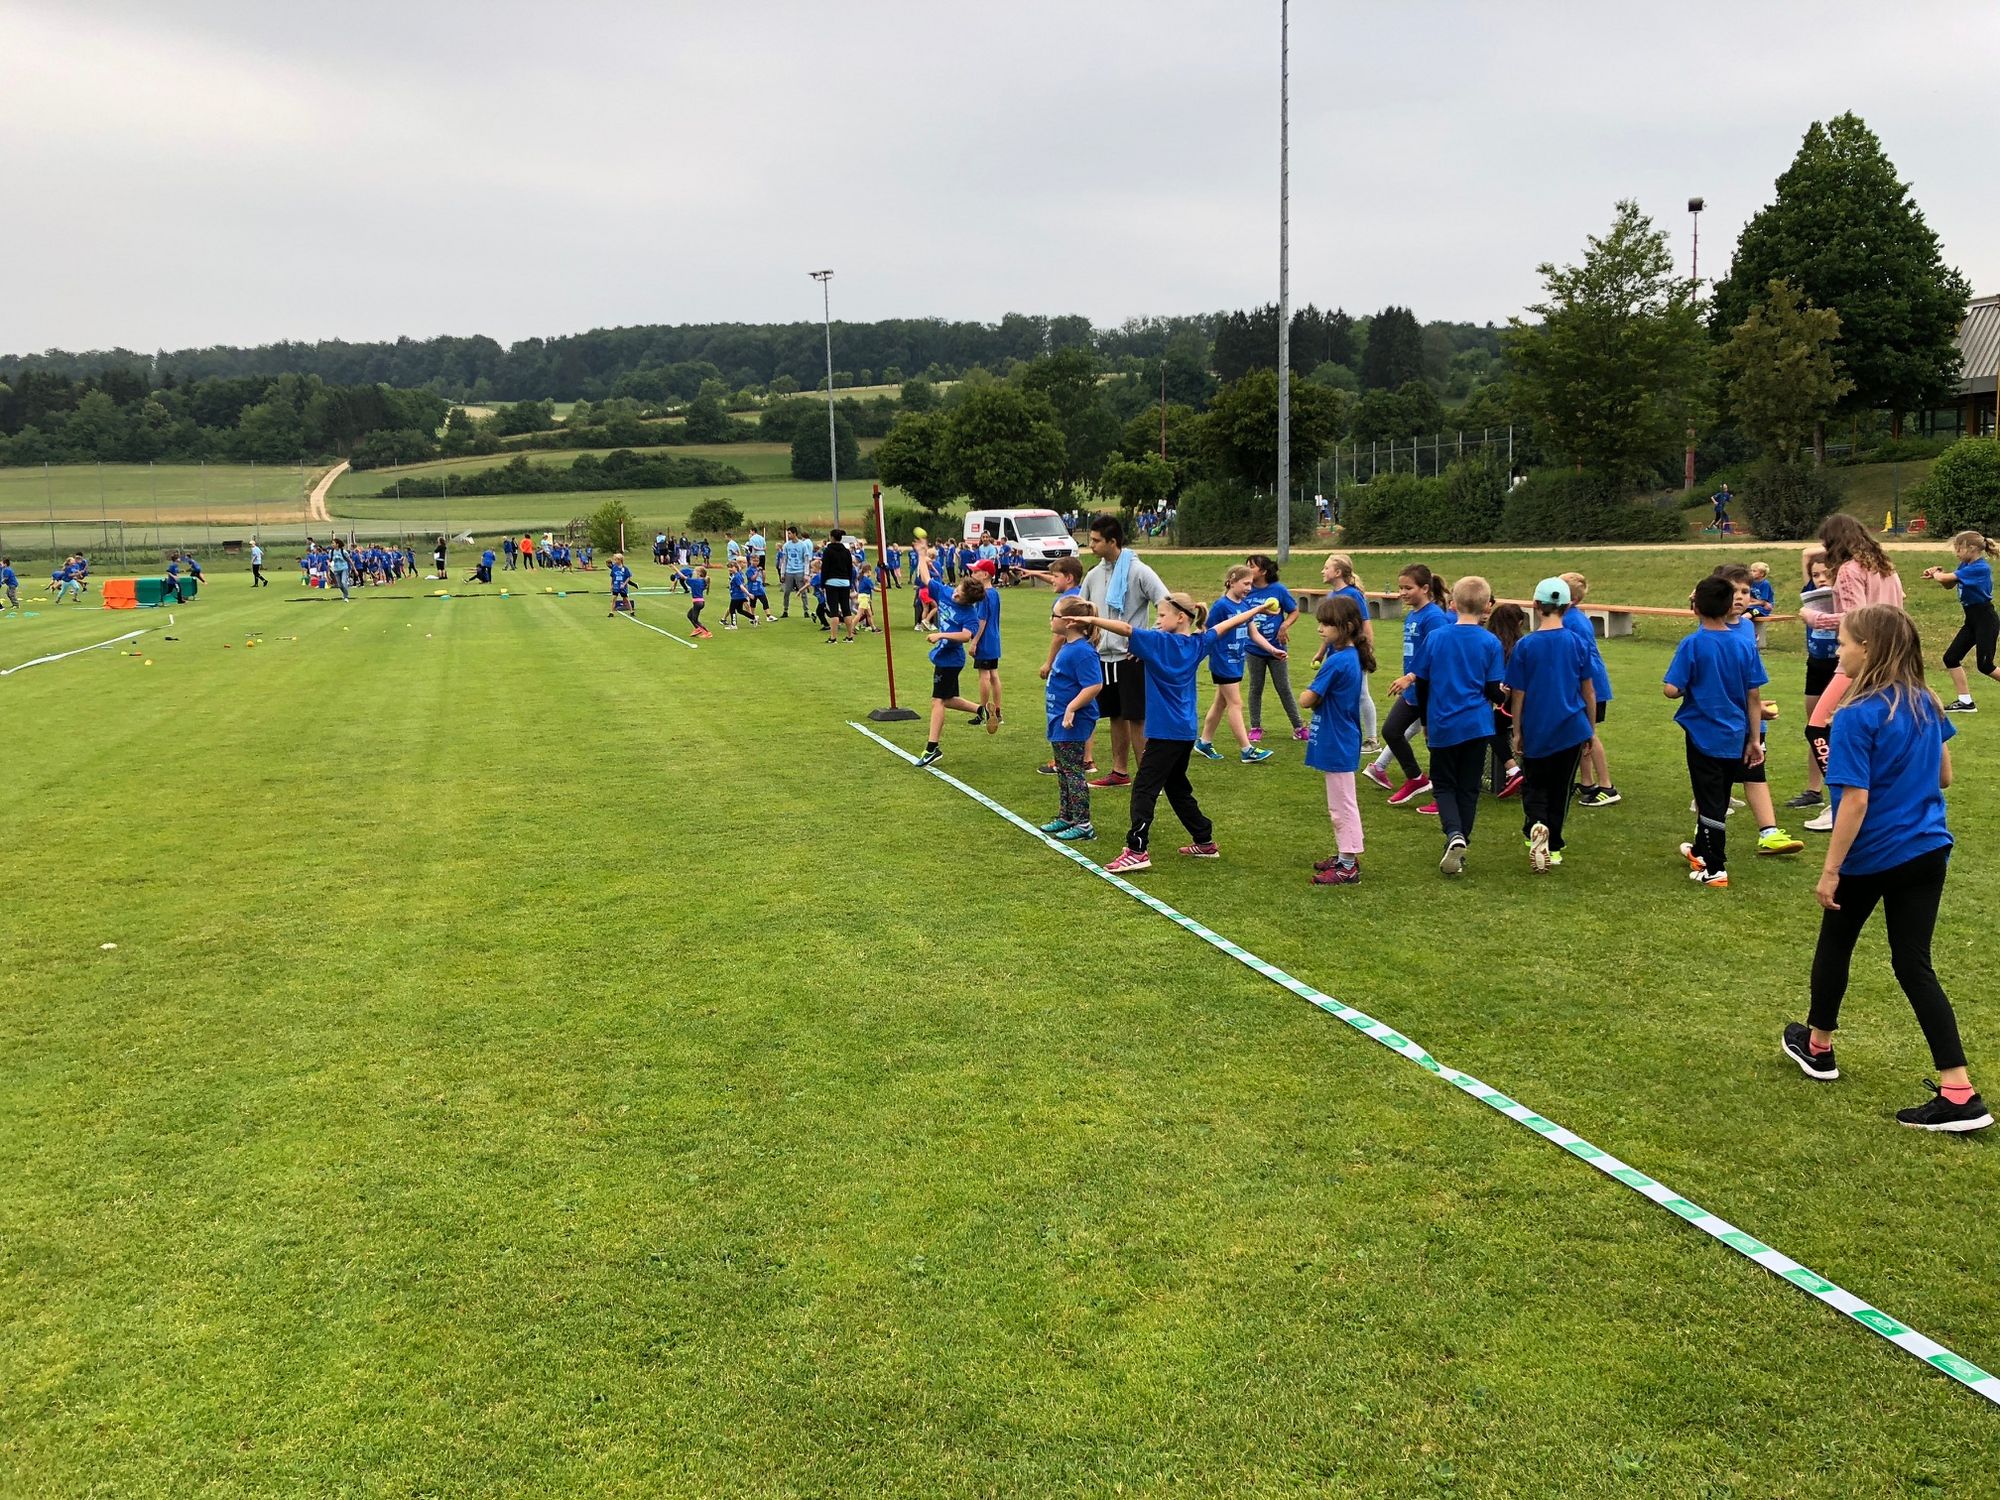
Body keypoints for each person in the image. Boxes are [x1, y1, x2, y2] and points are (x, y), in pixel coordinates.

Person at [1780, 604, 1990, 1133]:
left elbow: (1854, 801)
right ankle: (1959, 1090)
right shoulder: (1927, 701)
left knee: (1836, 943)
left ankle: (1820, 1047)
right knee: (1914, 964)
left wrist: (1831, 870)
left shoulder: (1855, 714)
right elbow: (1944, 776)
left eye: (1844, 643)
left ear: (1868, 648)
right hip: (1927, 850)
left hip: (1873, 854)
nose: (1839, 653)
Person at [1085, 591, 1269, 874]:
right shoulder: (1197, 643)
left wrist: (1090, 619)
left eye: (1161, 615)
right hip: (1185, 731)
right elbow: (1227, 624)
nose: (1157, 620)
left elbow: (1125, 629)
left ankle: (1136, 850)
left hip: (1165, 733)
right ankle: (1204, 840)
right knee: (1176, 786)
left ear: (1181, 617)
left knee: (1144, 787)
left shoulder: (1157, 642)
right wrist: (1256, 611)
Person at [1799, 514, 1906, 832]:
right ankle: (1874, 800)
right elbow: (1898, 609)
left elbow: (1856, 617)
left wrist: (1815, 618)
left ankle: (1841, 803)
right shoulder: (1885, 567)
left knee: (1818, 727)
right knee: (1872, 733)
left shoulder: (1849, 569)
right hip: (1891, 660)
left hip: (1858, 660)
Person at [1665, 575, 1767, 889]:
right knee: (1718, 796)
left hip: (1702, 735)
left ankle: (1715, 867)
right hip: (1736, 734)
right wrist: (1754, 739)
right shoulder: (1744, 644)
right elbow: (1754, 696)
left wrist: (1687, 685)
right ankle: (1700, 850)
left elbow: (1671, 689)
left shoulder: (1693, 643)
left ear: (1696, 608)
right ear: (1729, 608)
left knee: (1709, 801)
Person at [1413, 576, 1506, 876]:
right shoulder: (1490, 642)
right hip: (1477, 725)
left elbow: (1422, 684)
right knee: (1468, 787)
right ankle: (1461, 841)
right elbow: (1492, 689)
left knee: (1443, 785)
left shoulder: (1436, 637)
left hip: (1443, 723)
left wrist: (1425, 721)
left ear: (1452, 603)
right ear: (1487, 606)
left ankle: (1454, 834)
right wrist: (1503, 695)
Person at [1505, 578, 1599, 873]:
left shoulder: (1525, 645)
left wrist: (1517, 731)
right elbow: (1588, 691)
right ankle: (1554, 844)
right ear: (1568, 606)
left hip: (1537, 726)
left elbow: (1518, 694)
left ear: (1535, 605)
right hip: (1571, 727)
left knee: (1534, 783)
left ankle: (1536, 824)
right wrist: (1590, 729)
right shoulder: (1578, 642)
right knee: (1561, 787)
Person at [1078, 513, 1167, 789]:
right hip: (1103, 658)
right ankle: (1120, 772)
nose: (1091, 545)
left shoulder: (1139, 571)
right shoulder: (1093, 575)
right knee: (1115, 715)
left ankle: (1148, 780)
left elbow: (1167, 604)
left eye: (1096, 541)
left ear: (1112, 541)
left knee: (1137, 719)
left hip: (1131, 659)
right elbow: (1082, 608)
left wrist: (1146, 641)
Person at [1299, 594, 1372, 885]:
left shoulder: (1339, 661)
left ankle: (1348, 866)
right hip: (1340, 737)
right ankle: (1344, 856)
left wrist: (1309, 696)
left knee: (1342, 806)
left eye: (1327, 624)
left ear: (1347, 627)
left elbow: (1307, 699)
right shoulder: (1347, 656)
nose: (1320, 629)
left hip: (1338, 740)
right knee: (1340, 804)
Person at [1368, 564, 1450, 806]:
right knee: (1391, 731)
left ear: (1424, 588)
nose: (1402, 593)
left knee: (1435, 743)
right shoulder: (1413, 615)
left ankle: (1445, 795)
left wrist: (1411, 677)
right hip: (1414, 690)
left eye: (1408, 588)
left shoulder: (1434, 617)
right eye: (1400, 588)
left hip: (1432, 691)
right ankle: (1416, 778)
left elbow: (1439, 656)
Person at [911, 540, 987, 768]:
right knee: (948, 699)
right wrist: (921, 555)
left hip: (952, 661)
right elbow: (926, 578)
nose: (954, 595)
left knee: (937, 701)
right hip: (943, 657)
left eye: (959, 596)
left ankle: (932, 748)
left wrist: (941, 635)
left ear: (968, 601)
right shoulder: (945, 592)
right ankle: (981, 710)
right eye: (956, 590)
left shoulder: (970, 615)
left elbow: (965, 636)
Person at [1195, 565, 1277, 764]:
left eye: (1251, 584)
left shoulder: (1245, 605)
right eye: (1245, 583)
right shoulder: (1221, 606)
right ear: (1232, 582)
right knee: (1236, 703)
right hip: (1223, 661)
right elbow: (1207, 630)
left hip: (1237, 660)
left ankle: (1204, 742)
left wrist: (1272, 650)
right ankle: (1247, 749)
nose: (1249, 588)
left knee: (1221, 703)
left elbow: (1253, 633)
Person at [1039, 597, 1104, 842]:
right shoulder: (1068, 647)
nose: (1050, 620)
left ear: (1069, 622)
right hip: (1058, 719)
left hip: (1073, 722)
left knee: (1073, 772)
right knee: (1064, 770)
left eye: (1054, 615)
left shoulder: (1083, 652)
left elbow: (1094, 685)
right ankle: (1067, 816)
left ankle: (1083, 824)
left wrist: (1072, 708)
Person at [1922, 530, 2000, 712]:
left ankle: (1966, 702)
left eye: (1959, 548)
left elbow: (1945, 578)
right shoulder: (1965, 565)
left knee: (1985, 665)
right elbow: (1949, 584)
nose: (1956, 552)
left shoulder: (1980, 568)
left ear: (1971, 548)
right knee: (1951, 658)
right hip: (1972, 620)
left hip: (1985, 619)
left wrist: (1937, 574)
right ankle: (1965, 702)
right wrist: (1938, 574)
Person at [1559, 573, 1620, 807]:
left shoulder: (1574, 621)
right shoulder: (1570, 618)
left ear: (1572, 599)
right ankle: (1587, 783)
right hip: (1583, 685)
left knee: (1588, 734)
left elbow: (1580, 657)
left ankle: (1607, 786)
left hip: (1590, 687)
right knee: (1579, 734)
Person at [1788, 551, 1839, 813]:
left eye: (1827, 573)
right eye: (1816, 574)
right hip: (1816, 665)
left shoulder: (1846, 595)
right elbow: (1807, 553)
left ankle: (1839, 795)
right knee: (1815, 728)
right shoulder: (1812, 594)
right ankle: (1814, 790)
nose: (1820, 579)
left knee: (1839, 730)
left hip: (1841, 667)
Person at [1242, 554, 1305, 743]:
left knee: (1283, 687)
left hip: (1277, 647)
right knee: (1255, 687)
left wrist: (1284, 625)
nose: (1247, 570)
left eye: (1251, 566)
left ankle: (1299, 727)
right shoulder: (1246, 590)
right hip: (1253, 648)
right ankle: (1255, 727)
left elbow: (1294, 611)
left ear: (1263, 571)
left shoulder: (1278, 589)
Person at [1320, 553, 1378, 748]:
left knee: (1361, 694)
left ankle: (1372, 739)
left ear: (1337, 572)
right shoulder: (1331, 596)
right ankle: (1337, 732)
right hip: (1335, 653)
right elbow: (1328, 629)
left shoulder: (1353, 594)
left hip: (1354, 652)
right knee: (1335, 693)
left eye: (1326, 568)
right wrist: (1321, 652)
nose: (1322, 571)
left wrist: (1367, 649)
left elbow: (1365, 623)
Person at [967, 559, 1004, 732]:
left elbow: (981, 620)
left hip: (984, 640)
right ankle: (997, 711)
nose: (972, 574)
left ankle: (983, 713)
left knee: (984, 676)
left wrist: (974, 642)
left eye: (976, 572)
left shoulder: (983, 595)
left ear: (985, 574)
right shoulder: (995, 593)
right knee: (994, 675)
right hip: (994, 640)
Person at [819, 527, 857, 643]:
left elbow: (825, 568)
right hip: (845, 582)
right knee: (846, 609)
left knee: (834, 610)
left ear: (832, 537)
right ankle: (850, 636)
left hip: (832, 582)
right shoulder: (846, 551)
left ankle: (833, 637)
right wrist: (849, 582)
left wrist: (822, 583)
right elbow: (850, 568)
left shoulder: (828, 551)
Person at [1747, 561, 1776, 651]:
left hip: (1763, 609)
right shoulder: (1751, 583)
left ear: (1762, 574)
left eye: (1754, 571)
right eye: (1751, 570)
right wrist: (1754, 602)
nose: (1751, 573)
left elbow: (1764, 602)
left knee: (1748, 615)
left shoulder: (1765, 584)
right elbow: (1749, 597)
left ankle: (1757, 641)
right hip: (1754, 606)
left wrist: (1752, 602)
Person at [685, 566, 711, 638]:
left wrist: (675, 569)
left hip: (697, 603)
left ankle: (707, 632)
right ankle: (698, 629)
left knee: (695, 619)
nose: (694, 572)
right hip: (700, 602)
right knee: (689, 615)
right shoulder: (702, 581)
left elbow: (684, 578)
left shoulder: (696, 581)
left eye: (695, 571)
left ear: (699, 573)